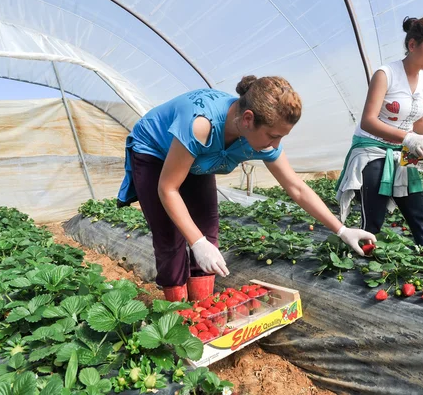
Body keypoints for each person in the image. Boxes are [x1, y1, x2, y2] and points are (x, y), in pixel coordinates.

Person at [117, 76, 376, 302]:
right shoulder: (201, 124)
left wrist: (341, 230)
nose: (277, 143)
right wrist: (196, 242)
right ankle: (177, 315)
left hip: (200, 157)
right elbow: (168, 189)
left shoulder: (260, 139)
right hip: (155, 150)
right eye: (274, 135)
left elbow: (296, 187)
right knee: (170, 235)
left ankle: (203, 309)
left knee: (208, 227)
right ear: (248, 119)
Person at [336, 15, 423, 247]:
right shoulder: (386, 74)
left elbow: (419, 124)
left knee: (420, 214)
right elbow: (368, 121)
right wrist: (408, 137)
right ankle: (363, 264)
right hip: (372, 150)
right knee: (373, 219)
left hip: (404, 153)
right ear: (412, 45)